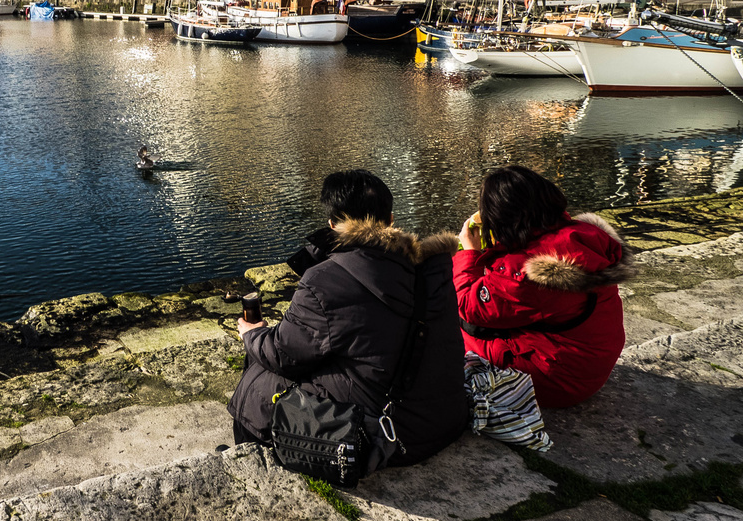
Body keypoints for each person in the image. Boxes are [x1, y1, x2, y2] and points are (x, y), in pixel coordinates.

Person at [229, 170, 470, 467]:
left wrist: (251, 334)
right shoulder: (430, 270)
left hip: (389, 436)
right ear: (391, 220)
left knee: (259, 381)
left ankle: (245, 459)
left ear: (332, 225)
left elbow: (282, 354)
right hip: (442, 421)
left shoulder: (326, 280)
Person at [453, 165, 635, 408]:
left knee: (450, 329)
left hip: (558, 380)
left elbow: (468, 306)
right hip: (588, 364)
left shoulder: (531, 272)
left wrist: (470, 252)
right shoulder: (581, 236)